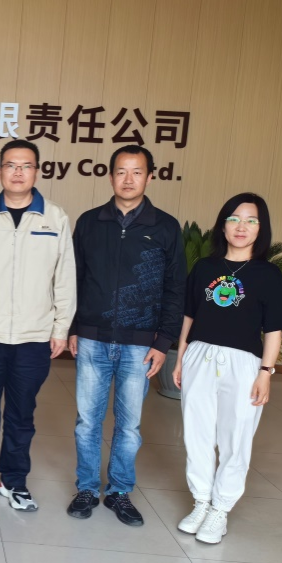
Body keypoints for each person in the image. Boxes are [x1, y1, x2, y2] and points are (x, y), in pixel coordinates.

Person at [66, 145, 186, 526]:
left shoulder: (165, 227)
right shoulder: (89, 222)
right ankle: (87, 488)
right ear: (111, 176)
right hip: (92, 338)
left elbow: (175, 288)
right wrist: (73, 327)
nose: (128, 179)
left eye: (137, 172)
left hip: (140, 344)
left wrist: (163, 341)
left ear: (150, 176)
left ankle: (119, 491)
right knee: (87, 421)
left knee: (129, 425)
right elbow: (73, 279)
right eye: (121, 171)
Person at [0, 139, 75, 512]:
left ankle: (14, 481)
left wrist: (60, 328)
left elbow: (64, 278)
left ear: (37, 172)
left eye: (26, 166)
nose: (18, 172)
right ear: (0, 171)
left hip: (33, 335)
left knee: (22, 414)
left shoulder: (55, 218)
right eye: (11, 165)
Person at [173, 193, 282, 544]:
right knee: (196, 433)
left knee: (235, 437)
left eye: (251, 220)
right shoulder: (205, 268)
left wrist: (265, 372)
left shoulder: (269, 274)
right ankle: (201, 502)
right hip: (200, 355)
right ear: (223, 225)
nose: (242, 227)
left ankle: (220, 510)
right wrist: (181, 357)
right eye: (234, 219)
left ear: (261, 228)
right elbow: (189, 315)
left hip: (244, 364)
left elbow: (274, 328)